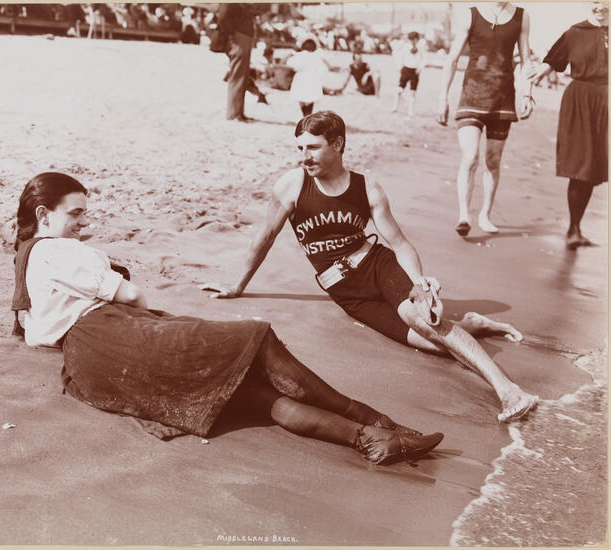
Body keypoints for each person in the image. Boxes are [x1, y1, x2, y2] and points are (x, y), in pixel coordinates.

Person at [11, 172, 444, 467]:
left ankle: (368, 439)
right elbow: (134, 296)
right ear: (44, 215)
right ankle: (376, 421)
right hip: (112, 335)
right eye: (75, 214)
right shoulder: (59, 249)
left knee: (252, 395)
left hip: (91, 367)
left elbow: (34, 331)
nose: (83, 223)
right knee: (257, 340)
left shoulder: (26, 257)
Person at [201, 111, 539, 423]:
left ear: (338, 144)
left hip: (378, 266)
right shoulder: (292, 185)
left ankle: (508, 390)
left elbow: (400, 243)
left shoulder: (367, 188)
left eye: (313, 148)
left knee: (419, 318)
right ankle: (471, 324)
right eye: (300, 148)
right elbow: (264, 237)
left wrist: (419, 282)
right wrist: (237, 285)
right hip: (346, 293)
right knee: (431, 342)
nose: (304, 156)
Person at [436, 3, 534, 237]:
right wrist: (442, 98)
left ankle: (485, 215)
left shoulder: (522, 16)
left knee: (493, 160)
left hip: (502, 99)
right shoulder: (471, 14)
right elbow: (452, 59)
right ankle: (464, 215)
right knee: (470, 157)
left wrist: (527, 94)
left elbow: (526, 59)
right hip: (472, 96)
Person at [528, 2, 608, 249]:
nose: (600, 7)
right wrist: (533, 79)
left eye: (604, 1)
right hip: (580, 102)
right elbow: (552, 61)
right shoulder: (575, 32)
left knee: (595, 168)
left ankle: (576, 228)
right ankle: (574, 229)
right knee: (581, 166)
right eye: (595, 2)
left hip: (607, 101)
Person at [218, 3, 255, 122]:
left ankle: (238, 112)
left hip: (242, 37)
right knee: (238, 76)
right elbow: (223, 17)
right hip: (239, 39)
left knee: (242, 77)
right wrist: (232, 34)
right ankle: (233, 113)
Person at [286, 36, 331, 117]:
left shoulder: (299, 55)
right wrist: (319, 78)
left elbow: (292, 65)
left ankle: (305, 115)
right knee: (311, 98)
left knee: (301, 98)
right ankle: (308, 114)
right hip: (312, 78)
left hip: (300, 78)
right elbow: (322, 70)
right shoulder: (316, 56)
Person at [392, 32, 425, 116]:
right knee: (399, 89)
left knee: (413, 92)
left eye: (415, 40)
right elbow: (400, 57)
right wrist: (400, 67)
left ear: (417, 40)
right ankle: (395, 107)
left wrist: (420, 67)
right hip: (406, 69)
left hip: (415, 71)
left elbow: (424, 59)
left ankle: (411, 110)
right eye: (411, 40)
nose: (413, 42)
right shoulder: (406, 47)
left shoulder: (421, 48)